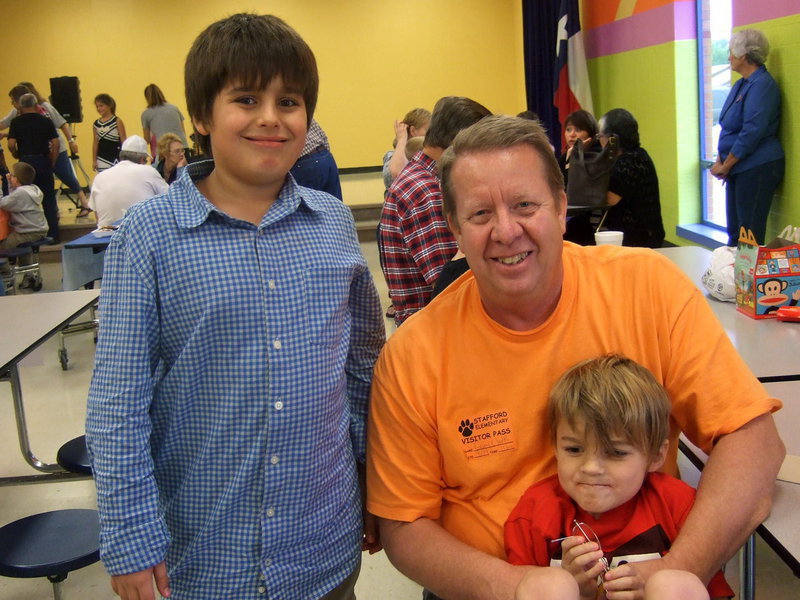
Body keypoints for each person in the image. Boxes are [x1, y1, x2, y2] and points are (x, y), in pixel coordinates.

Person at [366, 115, 784, 600]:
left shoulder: (649, 288)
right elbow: (405, 527)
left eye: (525, 205)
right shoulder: (412, 354)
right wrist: (522, 587)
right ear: (455, 231)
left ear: (563, 208)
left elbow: (752, 441)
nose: (506, 230)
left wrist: (676, 573)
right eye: (480, 214)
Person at [85, 13, 385, 600]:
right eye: (246, 98)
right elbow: (118, 404)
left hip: (323, 552)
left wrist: (376, 482)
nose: (271, 117)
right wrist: (129, 537)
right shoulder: (149, 236)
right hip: (204, 563)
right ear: (200, 116)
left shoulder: (333, 228)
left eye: (290, 101)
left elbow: (364, 372)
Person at [506, 355, 733, 600]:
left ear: (656, 456)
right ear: (555, 446)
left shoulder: (677, 504)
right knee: (543, 583)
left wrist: (650, 591)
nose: (591, 468)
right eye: (574, 450)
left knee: (676, 582)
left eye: (616, 453)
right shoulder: (535, 512)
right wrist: (576, 590)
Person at [378, 96, 490, 326]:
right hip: (437, 329)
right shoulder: (427, 193)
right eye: (480, 147)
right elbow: (452, 285)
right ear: (459, 141)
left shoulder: (424, 178)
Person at [710, 29, 784, 246]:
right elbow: (727, 126)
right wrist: (720, 161)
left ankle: (749, 280)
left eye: (731, 52)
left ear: (744, 56)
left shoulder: (763, 85)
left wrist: (727, 164)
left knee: (748, 234)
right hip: (737, 166)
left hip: (756, 167)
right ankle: (736, 277)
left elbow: (752, 131)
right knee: (734, 232)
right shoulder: (741, 84)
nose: (729, 57)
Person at [0, 82, 92, 216]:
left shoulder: (45, 107)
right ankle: (52, 213)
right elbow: (14, 127)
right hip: (41, 150)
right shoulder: (17, 112)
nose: (13, 104)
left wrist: (71, 141)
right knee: (45, 183)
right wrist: (8, 134)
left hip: (56, 148)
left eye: (13, 101)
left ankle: (85, 203)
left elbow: (62, 123)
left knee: (66, 175)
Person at [592, 108, 665, 248]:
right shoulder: (635, 155)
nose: (599, 141)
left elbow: (607, 199)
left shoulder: (630, 162)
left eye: (600, 136)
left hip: (639, 237)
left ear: (612, 139)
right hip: (631, 233)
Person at [7, 93, 60, 241]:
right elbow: (56, 143)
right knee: (48, 198)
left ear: (21, 106)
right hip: (43, 161)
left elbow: (11, 144)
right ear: (36, 105)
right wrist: (52, 160)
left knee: (25, 199)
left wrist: (17, 155)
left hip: (25, 162)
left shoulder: (16, 122)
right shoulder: (45, 121)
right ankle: (53, 235)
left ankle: (29, 234)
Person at [88, 135, 168, 227]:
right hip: (140, 232)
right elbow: (169, 199)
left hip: (106, 235)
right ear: (142, 159)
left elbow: (96, 213)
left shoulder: (99, 177)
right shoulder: (148, 171)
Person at [0, 161, 48, 289]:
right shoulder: (33, 189)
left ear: (17, 179)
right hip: (39, 230)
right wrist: (12, 186)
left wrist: (2, 188)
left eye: (13, 175)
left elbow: (4, 203)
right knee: (20, 246)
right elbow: (13, 199)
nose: (11, 177)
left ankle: (6, 274)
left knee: (3, 246)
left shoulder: (20, 193)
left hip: (27, 232)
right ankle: (28, 274)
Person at [289, 119, 343, 200]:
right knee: (334, 205)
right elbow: (323, 137)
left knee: (307, 208)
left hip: (305, 164)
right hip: (325, 158)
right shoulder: (303, 113)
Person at [382, 108, 431, 190]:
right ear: (413, 131)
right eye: (427, 130)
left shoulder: (430, 153)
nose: (431, 134)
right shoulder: (391, 155)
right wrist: (401, 139)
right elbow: (390, 179)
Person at [141, 83, 188, 154]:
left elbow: (147, 139)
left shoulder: (146, 114)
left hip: (165, 149)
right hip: (182, 146)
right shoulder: (174, 108)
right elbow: (182, 131)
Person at [92, 93, 126, 172]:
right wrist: (94, 160)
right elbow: (95, 143)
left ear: (109, 105)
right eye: (97, 106)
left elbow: (124, 140)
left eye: (101, 106)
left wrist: (125, 158)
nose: (99, 108)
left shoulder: (117, 121)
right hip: (101, 159)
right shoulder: (96, 124)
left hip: (116, 158)